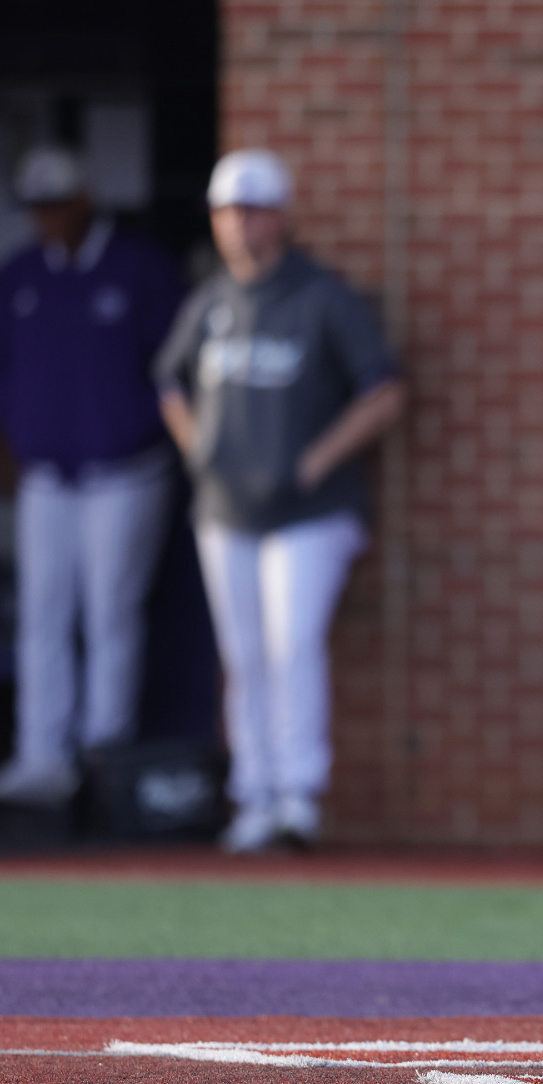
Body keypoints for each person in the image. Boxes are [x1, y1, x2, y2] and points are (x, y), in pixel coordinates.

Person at [154, 149, 405, 853]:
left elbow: (384, 390)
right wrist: (197, 446)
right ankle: (254, 796)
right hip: (225, 509)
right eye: (228, 212)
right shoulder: (209, 300)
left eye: (253, 210)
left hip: (309, 511)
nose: (239, 225)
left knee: (291, 644)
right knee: (243, 654)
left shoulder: (318, 294)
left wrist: (316, 459)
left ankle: (299, 793)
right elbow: (168, 381)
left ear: (280, 216)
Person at [0, 147, 186, 806]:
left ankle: (105, 753)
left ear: (86, 200)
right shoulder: (20, 277)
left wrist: (135, 427)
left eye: (57, 205)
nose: (46, 220)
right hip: (47, 473)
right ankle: (41, 752)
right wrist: (24, 431)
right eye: (36, 208)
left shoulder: (140, 269)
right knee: (42, 613)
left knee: (110, 609)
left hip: (124, 471)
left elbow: (175, 368)